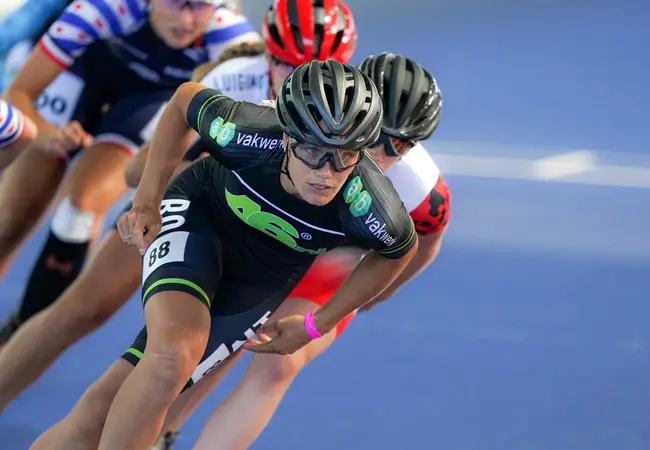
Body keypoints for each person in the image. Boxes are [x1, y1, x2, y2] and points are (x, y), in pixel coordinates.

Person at [29, 59, 417, 450]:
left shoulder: (367, 202)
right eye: (313, 150)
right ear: (286, 137)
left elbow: (399, 251)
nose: (326, 173)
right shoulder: (247, 132)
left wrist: (319, 323)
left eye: (345, 154)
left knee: (102, 411)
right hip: (202, 219)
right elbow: (183, 100)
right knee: (172, 359)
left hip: (259, 278)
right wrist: (146, 199)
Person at [0, 0, 357, 417]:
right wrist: (186, 177)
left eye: (317, 70)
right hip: (188, 198)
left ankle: (161, 432)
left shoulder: (351, 112)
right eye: (286, 65)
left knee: (204, 349)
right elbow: (136, 172)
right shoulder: (232, 79)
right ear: (267, 55)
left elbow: (401, 227)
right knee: (81, 311)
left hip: (253, 232)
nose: (299, 82)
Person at [161, 52, 449, 450]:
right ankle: (160, 431)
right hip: (274, 234)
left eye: (397, 145)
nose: (379, 154)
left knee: (276, 361)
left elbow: (424, 242)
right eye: (373, 135)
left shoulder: (423, 191)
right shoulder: (292, 123)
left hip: (336, 260)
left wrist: (376, 295)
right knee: (217, 338)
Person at [0, 0, 260, 342]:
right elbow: (18, 92)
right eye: (175, 2)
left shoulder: (230, 36)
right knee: (14, 215)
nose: (186, 19)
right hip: (79, 73)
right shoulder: (104, 9)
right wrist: (47, 135)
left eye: (199, 5)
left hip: (149, 99)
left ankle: (17, 334)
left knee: (79, 209)